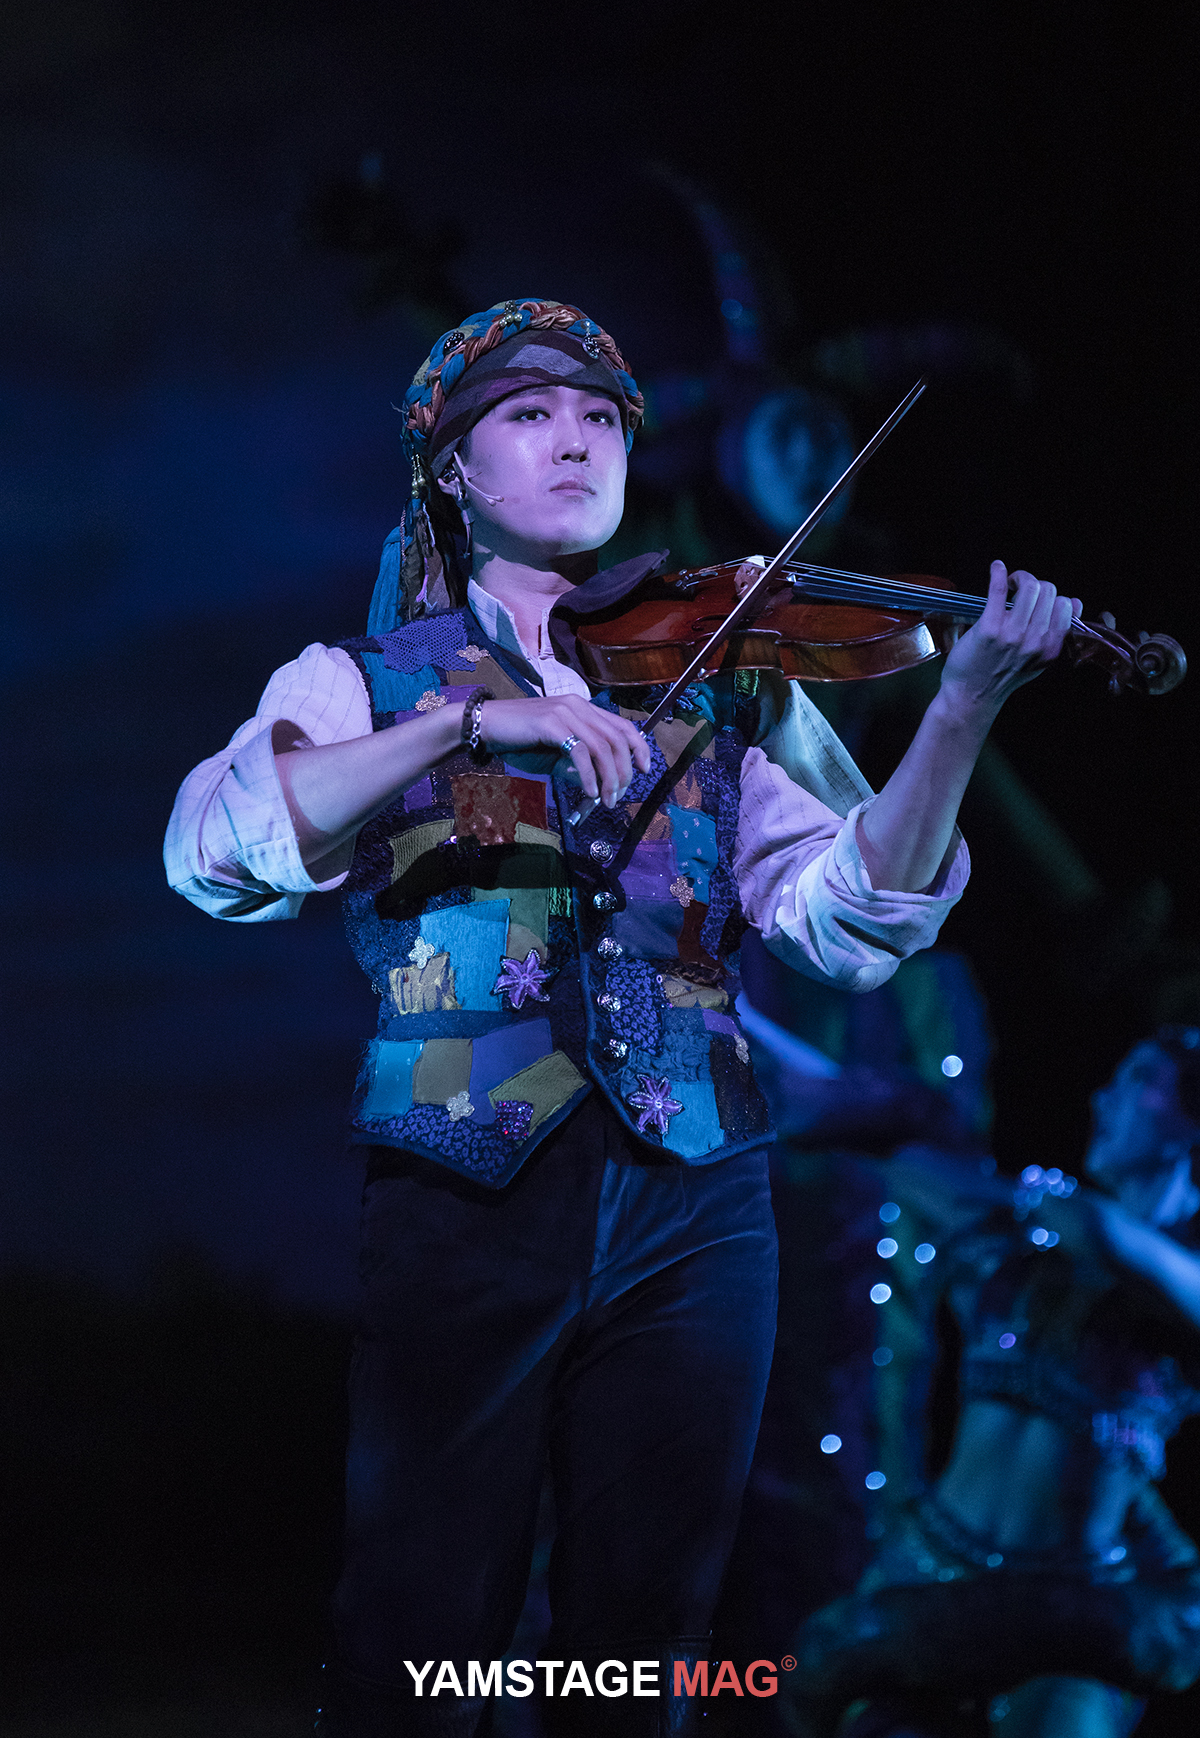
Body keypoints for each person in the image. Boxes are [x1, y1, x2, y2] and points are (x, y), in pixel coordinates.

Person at [164, 297, 1077, 1737]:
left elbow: (852, 918)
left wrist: (960, 711)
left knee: (648, 1639)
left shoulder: (721, 675)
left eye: (602, 418)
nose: (579, 440)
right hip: (465, 1183)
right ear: (454, 469)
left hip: (698, 1193)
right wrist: (469, 723)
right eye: (531, 415)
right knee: (422, 1627)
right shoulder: (363, 681)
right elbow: (214, 852)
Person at [791, 1027, 1200, 1738]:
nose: (1101, 1098)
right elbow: (851, 1116)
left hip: (1073, 1621)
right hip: (924, 1575)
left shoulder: (1177, 1274)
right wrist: (726, 1010)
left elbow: (1105, 1236)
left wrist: (1024, 1197)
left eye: (1139, 1078)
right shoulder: (1023, 1239)